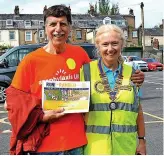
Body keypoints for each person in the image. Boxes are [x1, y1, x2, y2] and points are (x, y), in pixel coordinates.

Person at [5, 5, 145, 155]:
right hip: (44, 147)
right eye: (53, 24)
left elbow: (105, 67)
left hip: (77, 145)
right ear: (45, 28)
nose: (58, 29)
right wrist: (43, 116)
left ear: (69, 28)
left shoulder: (80, 55)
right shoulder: (30, 61)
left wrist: (134, 75)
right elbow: (11, 103)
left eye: (63, 24)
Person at [80, 24, 146, 155]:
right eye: (105, 44)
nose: (110, 49)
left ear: (121, 45)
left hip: (127, 148)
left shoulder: (133, 73)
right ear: (98, 46)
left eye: (115, 43)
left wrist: (142, 141)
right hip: (95, 148)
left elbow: (138, 110)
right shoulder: (85, 71)